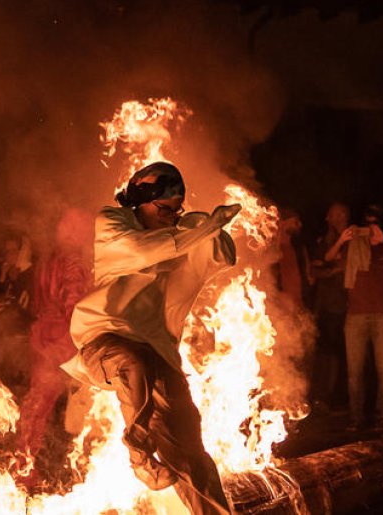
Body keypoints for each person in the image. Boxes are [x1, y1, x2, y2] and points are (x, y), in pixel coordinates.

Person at [63, 162, 240, 515]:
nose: (172, 216)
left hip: (157, 349)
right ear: (140, 200)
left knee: (192, 455)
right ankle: (139, 452)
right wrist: (204, 226)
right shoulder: (113, 222)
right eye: (165, 209)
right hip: (104, 336)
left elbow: (223, 254)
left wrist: (199, 222)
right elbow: (145, 250)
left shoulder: (178, 231)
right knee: (131, 362)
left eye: (177, 210)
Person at [19, 208, 93, 455]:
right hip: (63, 338)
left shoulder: (47, 260)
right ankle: (28, 462)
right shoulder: (72, 261)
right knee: (86, 398)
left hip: (42, 334)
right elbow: (75, 303)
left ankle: (25, 457)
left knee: (37, 401)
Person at [326, 205, 383, 430]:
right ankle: (356, 418)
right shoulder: (352, 248)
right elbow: (329, 257)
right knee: (354, 372)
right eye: (367, 224)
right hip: (355, 317)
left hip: (382, 316)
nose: (370, 228)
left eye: (374, 223)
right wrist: (341, 240)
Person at [307, 202, 351, 411]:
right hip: (330, 306)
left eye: (337, 213)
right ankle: (324, 397)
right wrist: (334, 271)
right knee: (327, 352)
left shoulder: (356, 241)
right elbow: (316, 270)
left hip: (354, 305)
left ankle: (343, 398)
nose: (333, 218)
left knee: (347, 355)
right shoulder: (324, 243)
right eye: (332, 214)